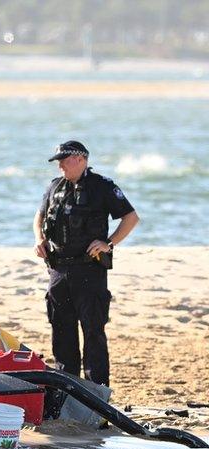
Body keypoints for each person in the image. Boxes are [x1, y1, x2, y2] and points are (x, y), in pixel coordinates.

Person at [33, 141, 140, 387]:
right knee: (61, 331)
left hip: (89, 270)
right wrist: (39, 239)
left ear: (82, 159)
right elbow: (39, 216)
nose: (60, 165)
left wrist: (109, 243)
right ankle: (67, 389)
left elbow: (131, 217)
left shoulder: (102, 187)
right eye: (58, 160)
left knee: (93, 332)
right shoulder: (54, 186)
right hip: (58, 269)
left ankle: (96, 392)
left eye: (65, 159)